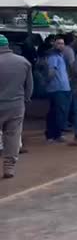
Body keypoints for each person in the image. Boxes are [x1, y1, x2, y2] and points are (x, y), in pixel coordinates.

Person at [0, 34, 33, 178]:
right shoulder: (23, 62)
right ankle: (9, 167)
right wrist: (26, 98)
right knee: (13, 135)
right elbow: (29, 86)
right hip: (16, 105)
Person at [43, 37, 71, 143]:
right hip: (57, 88)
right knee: (57, 112)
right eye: (59, 43)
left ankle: (54, 134)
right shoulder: (53, 57)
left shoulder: (60, 56)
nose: (61, 45)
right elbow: (51, 72)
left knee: (56, 112)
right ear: (54, 45)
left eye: (62, 43)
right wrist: (48, 81)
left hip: (61, 87)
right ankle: (54, 134)